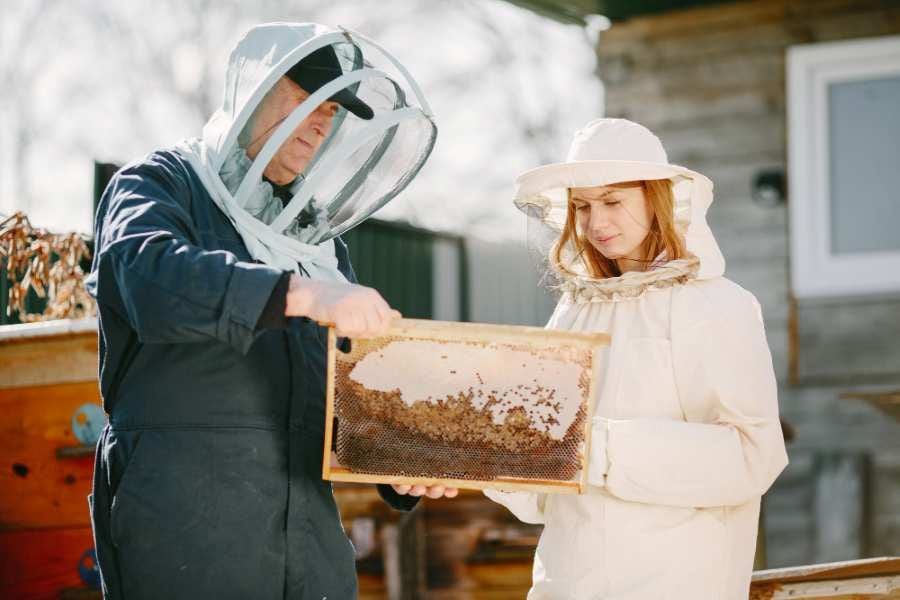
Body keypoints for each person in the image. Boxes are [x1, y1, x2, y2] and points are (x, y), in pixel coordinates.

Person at [86, 22, 454, 600]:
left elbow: (345, 396)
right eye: (305, 99)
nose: (320, 123)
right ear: (251, 93)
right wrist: (299, 296)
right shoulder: (160, 185)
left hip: (306, 550)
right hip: (184, 540)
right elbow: (146, 276)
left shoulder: (317, 247)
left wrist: (399, 465)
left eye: (332, 110)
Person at [485, 118, 789, 599]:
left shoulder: (715, 305)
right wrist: (491, 458)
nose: (595, 222)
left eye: (612, 201)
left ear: (656, 197)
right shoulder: (572, 311)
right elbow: (542, 500)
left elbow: (753, 457)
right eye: (582, 206)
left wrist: (598, 448)